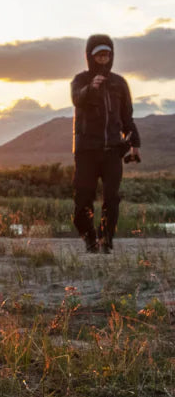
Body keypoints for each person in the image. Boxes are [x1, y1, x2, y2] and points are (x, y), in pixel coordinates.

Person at [70, 34, 140, 253]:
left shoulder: (119, 83)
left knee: (112, 198)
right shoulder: (80, 80)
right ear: (90, 56)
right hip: (86, 151)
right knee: (83, 200)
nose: (103, 58)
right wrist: (91, 88)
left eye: (106, 54)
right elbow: (77, 99)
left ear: (111, 56)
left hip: (113, 150)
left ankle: (106, 239)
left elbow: (127, 116)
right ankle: (89, 238)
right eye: (99, 55)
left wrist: (134, 142)